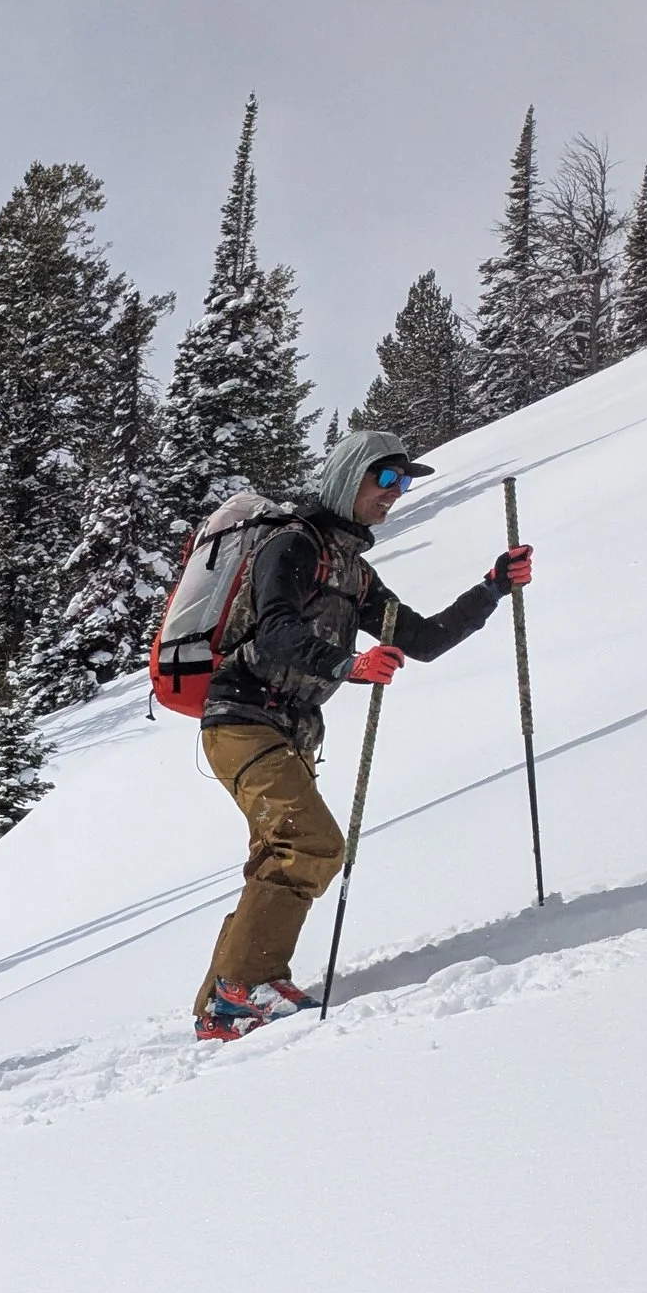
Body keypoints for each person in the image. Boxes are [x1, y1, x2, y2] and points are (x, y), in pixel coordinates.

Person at [192, 427, 532, 1040]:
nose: (396, 493)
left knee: (278, 854)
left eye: (403, 483)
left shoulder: (354, 570)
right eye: (387, 478)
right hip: (242, 716)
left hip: (291, 727)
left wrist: (492, 588)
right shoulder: (293, 545)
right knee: (313, 844)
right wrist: (345, 665)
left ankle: (227, 1004)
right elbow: (272, 632)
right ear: (352, 476)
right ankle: (240, 990)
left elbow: (420, 640)